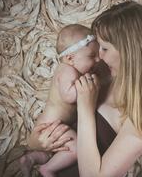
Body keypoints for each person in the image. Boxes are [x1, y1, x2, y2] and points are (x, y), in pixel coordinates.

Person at [74, 1, 142, 176]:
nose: (98, 56)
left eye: (105, 48)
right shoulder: (103, 72)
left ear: (129, 51)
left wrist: (85, 108)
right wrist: (39, 142)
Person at [20, 24, 100, 177]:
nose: (98, 59)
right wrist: (87, 86)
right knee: (76, 148)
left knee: (52, 153)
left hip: (54, 126)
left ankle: (30, 159)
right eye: (92, 56)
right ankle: (48, 169)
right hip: (52, 126)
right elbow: (69, 96)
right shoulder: (67, 70)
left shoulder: (72, 68)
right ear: (70, 58)